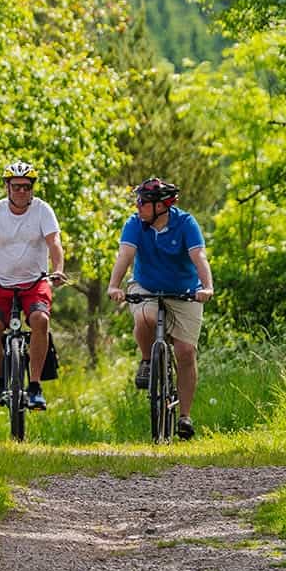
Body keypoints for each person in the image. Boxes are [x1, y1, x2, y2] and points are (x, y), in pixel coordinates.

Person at [106, 177, 215, 440]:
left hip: (184, 290)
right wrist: (114, 286)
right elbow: (125, 255)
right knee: (146, 316)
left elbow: (198, 256)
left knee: (186, 352)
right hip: (146, 286)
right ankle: (147, 360)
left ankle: (185, 417)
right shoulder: (134, 224)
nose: (138, 206)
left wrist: (207, 287)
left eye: (143, 202)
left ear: (161, 206)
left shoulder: (185, 223)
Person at [0, 160, 64, 410]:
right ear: (7, 187)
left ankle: (35, 386)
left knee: (40, 320)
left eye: (26, 187)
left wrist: (58, 269)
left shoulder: (43, 210)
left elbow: (54, 243)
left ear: (32, 188)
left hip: (35, 282)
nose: (21, 191)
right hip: (0, 284)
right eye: (16, 186)